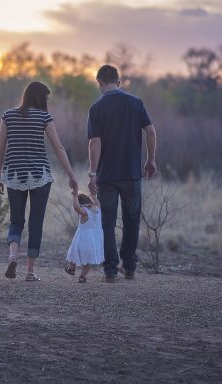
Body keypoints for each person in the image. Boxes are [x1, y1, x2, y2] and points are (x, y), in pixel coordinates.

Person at [0, 81, 78, 281]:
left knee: (16, 220)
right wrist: (72, 175)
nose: (47, 101)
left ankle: (13, 256)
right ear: (40, 98)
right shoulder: (44, 117)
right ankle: (30, 272)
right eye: (46, 98)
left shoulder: (8, 116)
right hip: (40, 175)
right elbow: (58, 148)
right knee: (36, 223)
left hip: (14, 174)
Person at [87, 65, 157, 283]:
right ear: (118, 81)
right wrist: (150, 159)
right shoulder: (135, 103)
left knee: (107, 223)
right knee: (132, 220)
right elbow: (151, 131)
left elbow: (94, 143)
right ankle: (129, 267)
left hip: (107, 175)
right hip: (132, 173)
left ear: (99, 83)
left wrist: (92, 173)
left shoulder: (96, 108)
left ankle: (109, 270)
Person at [65, 191, 104, 283]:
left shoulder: (84, 212)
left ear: (81, 204)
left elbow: (76, 208)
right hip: (94, 242)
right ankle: (82, 276)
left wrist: (75, 197)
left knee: (74, 253)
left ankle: (71, 268)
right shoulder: (98, 209)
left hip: (82, 240)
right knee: (88, 260)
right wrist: (94, 195)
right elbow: (97, 202)